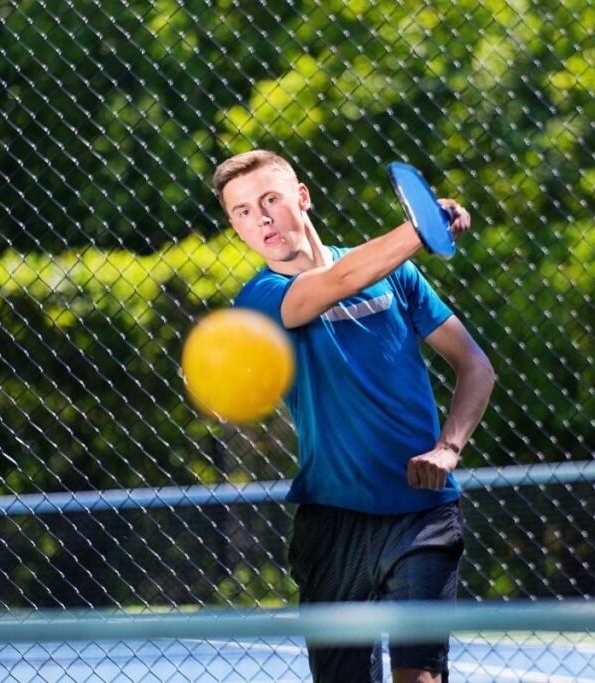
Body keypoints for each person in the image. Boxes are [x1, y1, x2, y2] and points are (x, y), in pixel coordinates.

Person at [212, 149, 495, 683]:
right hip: (331, 521)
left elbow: (476, 366)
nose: (261, 219)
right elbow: (339, 280)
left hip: (423, 513)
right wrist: (423, 226)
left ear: (302, 197)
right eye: (242, 212)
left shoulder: (398, 275)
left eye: (270, 200)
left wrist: (448, 447)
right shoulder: (259, 301)